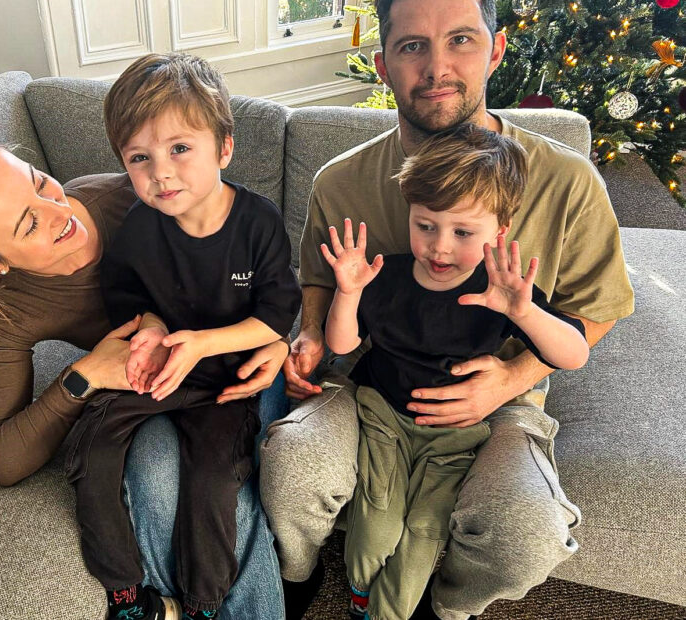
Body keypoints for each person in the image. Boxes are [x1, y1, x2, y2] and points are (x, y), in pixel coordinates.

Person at [259, 0, 635, 619]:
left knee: (526, 535)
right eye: (412, 47)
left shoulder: (567, 182)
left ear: (496, 49)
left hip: (499, 405)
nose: (437, 67)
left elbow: (596, 310)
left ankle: (451, 605)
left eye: (460, 39)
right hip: (369, 387)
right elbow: (319, 285)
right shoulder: (340, 182)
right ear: (382, 64)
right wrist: (308, 336)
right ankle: (296, 572)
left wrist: (512, 379)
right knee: (293, 465)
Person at [0, 133, 290, 619]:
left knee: (215, 476)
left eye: (39, 183)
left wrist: (281, 340)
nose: (60, 212)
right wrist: (86, 374)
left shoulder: (135, 196)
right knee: (156, 472)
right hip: (157, 389)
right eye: (29, 222)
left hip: (238, 361)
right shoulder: (7, 310)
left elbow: (263, 262)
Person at [62, 52, 300, 620]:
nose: (160, 173)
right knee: (92, 449)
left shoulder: (258, 221)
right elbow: (124, 294)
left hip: (226, 380)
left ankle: (201, 603)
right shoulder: (139, 228)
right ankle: (124, 591)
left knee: (215, 479)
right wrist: (153, 327)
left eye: (179, 149)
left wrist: (202, 342)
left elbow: (277, 313)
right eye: (139, 158)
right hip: (158, 372)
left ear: (224, 147)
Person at [320, 125, 589, 620]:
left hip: (456, 437)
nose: (440, 248)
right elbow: (340, 345)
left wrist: (524, 312)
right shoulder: (388, 276)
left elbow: (572, 355)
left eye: (463, 232)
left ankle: (385, 613)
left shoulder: (503, 292)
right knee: (377, 526)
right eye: (425, 226)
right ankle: (359, 593)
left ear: (499, 232)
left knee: (423, 535)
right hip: (383, 418)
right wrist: (349, 291)